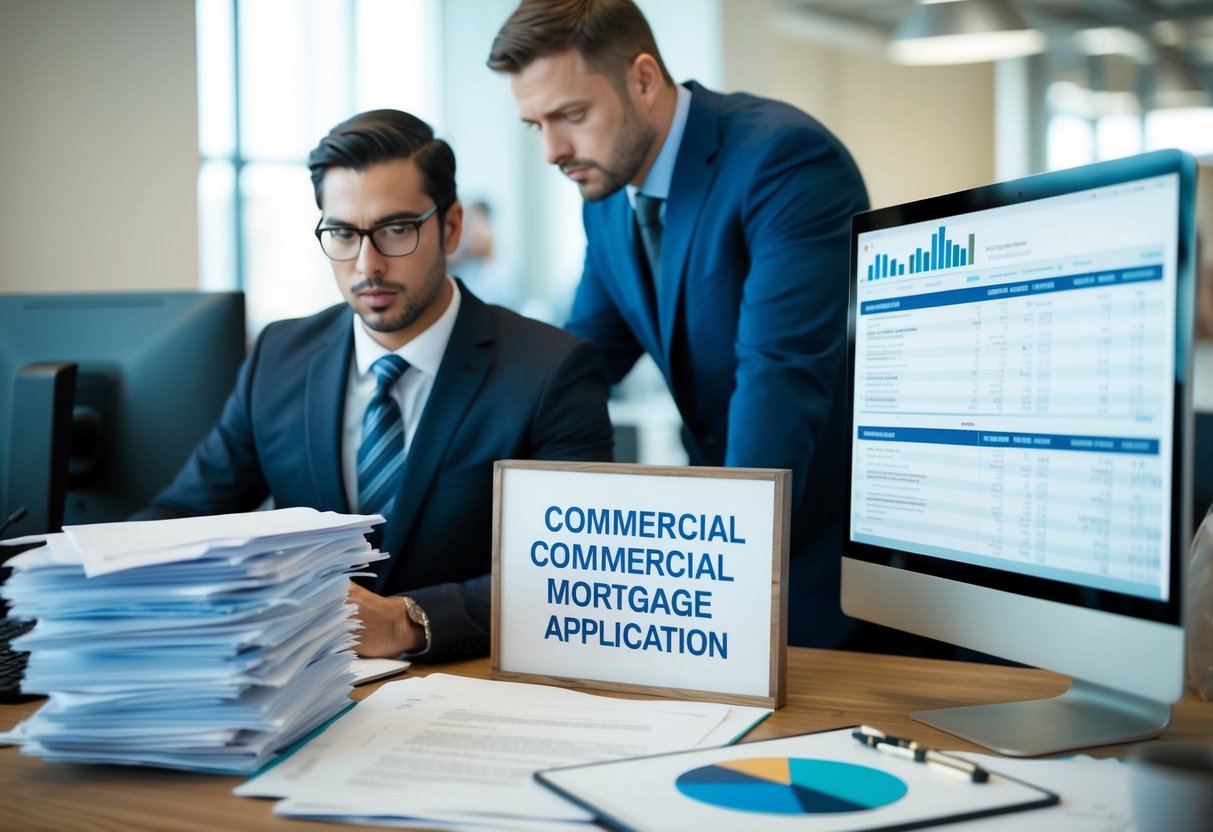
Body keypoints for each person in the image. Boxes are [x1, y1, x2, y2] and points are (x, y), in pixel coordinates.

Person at [133, 109, 614, 661]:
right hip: (304, 696)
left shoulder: (551, 369)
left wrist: (409, 621)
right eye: (342, 233)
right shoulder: (280, 358)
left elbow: (578, 575)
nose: (368, 264)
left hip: (472, 685)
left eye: (396, 230)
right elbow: (185, 516)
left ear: (450, 227)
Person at [489, 0, 871, 649]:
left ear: (642, 79)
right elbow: (580, 359)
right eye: (536, 126)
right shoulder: (608, 198)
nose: (553, 150)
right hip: (723, 546)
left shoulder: (785, 160)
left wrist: (724, 575)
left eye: (571, 116)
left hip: (823, 546)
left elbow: (777, 375)